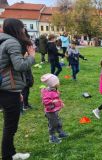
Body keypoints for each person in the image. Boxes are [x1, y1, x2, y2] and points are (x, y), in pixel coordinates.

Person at [0, 18, 35, 160]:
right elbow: (20, 66)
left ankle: (10, 153)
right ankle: (8, 156)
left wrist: (18, 92)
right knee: (10, 126)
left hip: (6, 89)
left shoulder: (2, 41)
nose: (23, 30)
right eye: (22, 28)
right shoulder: (12, 42)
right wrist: (32, 56)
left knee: (10, 125)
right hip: (8, 90)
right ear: (16, 29)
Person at [40, 73, 68, 144]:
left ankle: (60, 133)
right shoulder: (48, 92)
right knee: (52, 124)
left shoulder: (54, 89)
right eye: (57, 82)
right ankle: (52, 137)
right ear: (53, 84)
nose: (59, 82)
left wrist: (61, 103)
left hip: (54, 110)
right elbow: (45, 101)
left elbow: (57, 98)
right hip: (50, 111)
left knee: (58, 122)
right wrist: (52, 101)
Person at [22, 28, 34, 111]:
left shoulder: (25, 41)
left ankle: (25, 103)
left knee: (28, 84)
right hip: (22, 66)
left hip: (26, 65)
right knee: (25, 86)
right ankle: (23, 105)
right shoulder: (16, 42)